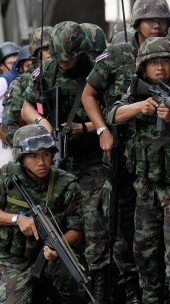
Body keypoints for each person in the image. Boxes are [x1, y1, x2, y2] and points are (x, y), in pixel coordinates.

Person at [82, 0, 170, 303]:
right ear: (137, 23)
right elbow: (89, 96)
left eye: (162, 20)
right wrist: (103, 130)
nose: (157, 26)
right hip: (121, 155)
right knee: (122, 229)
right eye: (151, 20)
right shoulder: (117, 54)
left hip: (160, 160)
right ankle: (131, 288)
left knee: (159, 233)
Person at [21, 21, 109, 302]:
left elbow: (111, 112)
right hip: (56, 158)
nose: (64, 63)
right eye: (59, 57)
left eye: (69, 57)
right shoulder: (46, 71)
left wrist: (83, 127)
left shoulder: (98, 70)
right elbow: (25, 106)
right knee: (55, 221)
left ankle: (98, 280)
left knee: (94, 222)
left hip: (91, 158)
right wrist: (42, 122)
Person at [108, 37, 170, 303]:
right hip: (145, 186)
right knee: (143, 252)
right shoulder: (137, 93)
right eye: (153, 63)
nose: (160, 68)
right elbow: (112, 114)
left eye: (166, 62)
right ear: (143, 68)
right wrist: (139, 107)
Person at [0, 124, 83, 303]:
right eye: (33, 156)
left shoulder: (67, 183)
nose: (41, 162)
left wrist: (57, 246)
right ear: (20, 158)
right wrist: (16, 219)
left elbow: (76, 229)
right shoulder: (6, 177)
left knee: (77, 286)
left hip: (53, 256)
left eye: (46, 154)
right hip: (15, 259)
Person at [2, 27, 52, 147]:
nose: (50, 52)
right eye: (45, 49)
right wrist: (30, 151)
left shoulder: (70, 76)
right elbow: (9, 126)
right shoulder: (22, 83)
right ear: (35, 51)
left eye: (53, 47)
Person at [0, 45, 36, 163]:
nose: (32, 69)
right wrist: (19, 149)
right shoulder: (4, 81)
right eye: (28, 66)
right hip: (11, 143)